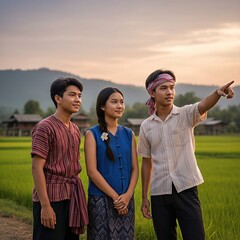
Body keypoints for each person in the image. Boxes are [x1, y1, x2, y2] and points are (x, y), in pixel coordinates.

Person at [138, 69, 234, 240]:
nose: (169, 92)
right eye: (163, 88)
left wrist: (218, 93)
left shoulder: (185, 114)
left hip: (186, 188)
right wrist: (144, 197)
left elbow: (203, 104)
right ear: (152, 92)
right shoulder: (146, 126)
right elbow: (146, 162)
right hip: (159, 192)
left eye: (172, 87)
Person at [31, 77, 88, 240]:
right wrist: (45, 206)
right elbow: (37, 168)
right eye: (72, 95)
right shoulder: (45, 127)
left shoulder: (76, 129)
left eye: (79, 95)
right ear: (58, 98)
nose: (77, 100)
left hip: (72, 197)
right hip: (51, 197)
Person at [84, 87, 139, 240]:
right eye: (114, 102)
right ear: (102, 106)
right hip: (100, 201)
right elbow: (92, 171)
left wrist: (127, 196)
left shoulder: (129, 134)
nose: (119, 105)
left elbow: (135, 169)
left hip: (126, 201)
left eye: (122, 102)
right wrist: (116, 198)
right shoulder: (92, 134)